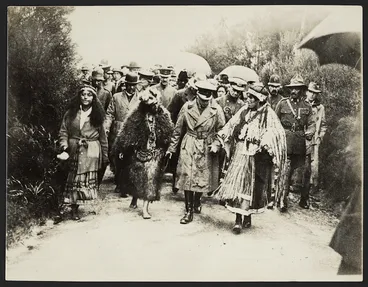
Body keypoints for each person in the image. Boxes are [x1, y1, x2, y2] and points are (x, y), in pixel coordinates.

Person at [211, 83, 287, 234]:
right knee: (240, 185)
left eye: (252, 98)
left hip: (257, 156)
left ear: (259, 99)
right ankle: (238, 220)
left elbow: (276, 133)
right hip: (240, 153)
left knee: (254, 187)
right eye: (248, 97)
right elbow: (231, 125)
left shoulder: (268, 114)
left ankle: (247, 215)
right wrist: (220, 139)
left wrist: (264, 142)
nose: (249, 100)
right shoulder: (244, 110)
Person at [166, 80, 226, 224]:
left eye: (208, 99)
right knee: (188, 177)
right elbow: (177, 129)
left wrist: (217, 144)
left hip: (207, 145)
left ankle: (197, 200)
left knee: (201, 178)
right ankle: (188, 211)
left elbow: (222, 130)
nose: (205, 102)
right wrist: (171, 149)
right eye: (202, 98)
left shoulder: (216, 110)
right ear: (197, 94)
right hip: (190, 143)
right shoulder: (187, 107)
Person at [112, 88, 174, 219]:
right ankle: (135, 198)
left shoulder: (163, 115)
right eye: (147, 101)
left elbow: (168, 133)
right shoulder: (136, 114)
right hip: (138, 151)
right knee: (137, 177)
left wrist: (164, 147)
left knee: (150, 178)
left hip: (155, 152)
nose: (149, 104)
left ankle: (145, 208)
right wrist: (123, 148)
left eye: (152, 100)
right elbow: (126, 131)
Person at [57, 85, 108, 220]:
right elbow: (63, 132)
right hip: (74, 149)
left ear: (93, 98)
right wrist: (64, 146)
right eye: (83, 94)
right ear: (79, 96)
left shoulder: (98, 115)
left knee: (82, 180)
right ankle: (70, 206)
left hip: (91, 150)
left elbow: (103, 138)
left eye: (89, 95)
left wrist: (105, 156)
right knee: (73, 178)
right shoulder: (71, 113)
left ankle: (76, 208)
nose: (86, 97)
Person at [275, 75, 315, 211]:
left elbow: (311, 123)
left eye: (297, 89)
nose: (294, 91)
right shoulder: (282, 103)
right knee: (284, 170)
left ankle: (301, 198)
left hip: (299, 143)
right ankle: (282, 199)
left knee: (296, 172)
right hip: (285, 140)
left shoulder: (307, 106)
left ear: (302, 90)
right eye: (292, 88)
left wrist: (310, 132)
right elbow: (275, 122)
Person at [166, 73, 205, 194]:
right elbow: (170, 111)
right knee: (178, 157)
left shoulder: (204, 97)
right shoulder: (179, 94)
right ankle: (176, 181)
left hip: (195, 131)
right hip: (182, 129)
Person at [103, 72, 140, 195]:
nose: (131, 87)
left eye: (134, 85)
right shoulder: (116, 97)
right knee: (117, 158)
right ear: (125, 84)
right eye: (129, 85)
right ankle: (119, 182)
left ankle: (126, 184)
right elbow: (109, 114)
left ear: (137, 86)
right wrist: (106, 128)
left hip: (133, 131)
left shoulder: (140, 98)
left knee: (131, 158)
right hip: (117, 131)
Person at [304, 82, 327, 196]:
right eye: (311, 92)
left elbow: (323, 124)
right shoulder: (302, 104)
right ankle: (295, 185)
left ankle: (312, 189)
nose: (313, 95)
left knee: (313, 165)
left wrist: (320, 137)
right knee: (300, 163)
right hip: (302, 138)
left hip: (314, 140)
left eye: (315, 93)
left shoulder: (320, 107)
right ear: (307, 92)